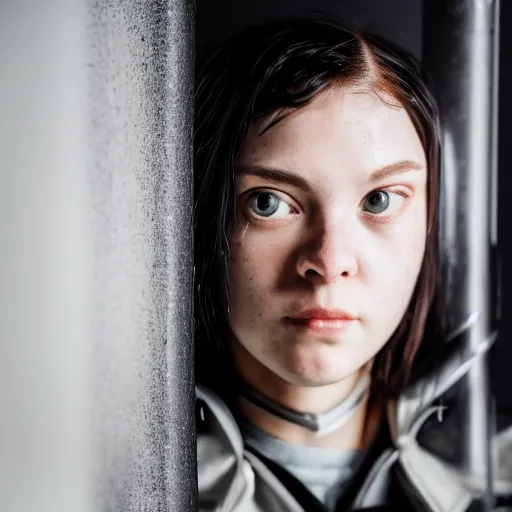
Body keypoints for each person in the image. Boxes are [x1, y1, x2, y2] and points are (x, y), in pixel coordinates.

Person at [193, 18, 503, 511]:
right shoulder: (116, 478)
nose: (329, 262)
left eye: (379, 200)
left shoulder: (493, 477)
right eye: (269, 202)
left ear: (432, 219)